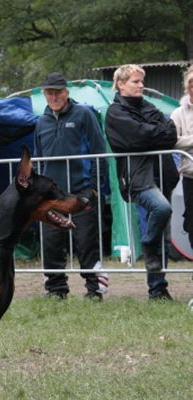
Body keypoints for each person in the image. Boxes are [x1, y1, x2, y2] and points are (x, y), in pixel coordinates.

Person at [105, 64, 178, 300]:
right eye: (135, 81)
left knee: (163, 235)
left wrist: (148, 134)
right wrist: (152, 133)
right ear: (120, 84)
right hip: (137, 177)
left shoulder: (149, 106)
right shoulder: (115, 112)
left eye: (141, 81)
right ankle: (148, 246)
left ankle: (159, 289)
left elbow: (171, 132)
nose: (141, 86)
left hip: (162, 173)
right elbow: (135, 139)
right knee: (160, 210)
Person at [33, 72, 108, 300]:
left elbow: (99, 151)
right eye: (49, 93)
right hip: (52, 197)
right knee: (51, 243)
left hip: (80, 192)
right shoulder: (41, 122)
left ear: (66, 92)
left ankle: (94, 289)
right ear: (44, 95)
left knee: (86, 242)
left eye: (57, 92)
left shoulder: (84, 114)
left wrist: (94, 187)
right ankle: (56, 289)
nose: (54, 97)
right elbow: (38, 159)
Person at [170, 66, 193, 251]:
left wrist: (186, 141)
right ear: (188, 87)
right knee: (191, 221)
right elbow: (172, 141)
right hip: (190, 175)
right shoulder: (178, 113)